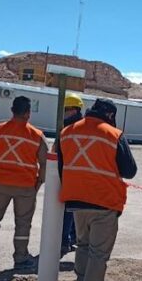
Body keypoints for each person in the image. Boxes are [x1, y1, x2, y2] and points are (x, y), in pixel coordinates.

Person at [58, 98, 137, 281]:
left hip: (76, 200)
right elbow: (129, 170)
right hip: (104, 202)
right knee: (98, 254)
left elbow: (60, 167)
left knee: (83, 247)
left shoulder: (67, 132)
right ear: (110, 115)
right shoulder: (113, 134)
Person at [0, 96, 48, 269]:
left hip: (1, 184)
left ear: (12, 110)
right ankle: (20, 257)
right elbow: (46, 163)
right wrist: (38, 182)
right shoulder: (36, 135)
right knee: (23, 224)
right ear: (28, 113)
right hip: (26, 186)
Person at [61, 93, 84, 254]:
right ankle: (69, 239)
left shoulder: (69, 130)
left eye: (66, 110)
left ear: (74, 110)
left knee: (70, 213)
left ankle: (66, 240)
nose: (64, 113)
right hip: (76, 176)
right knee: (73, 211)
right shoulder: (69, 128)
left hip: (74, 176)